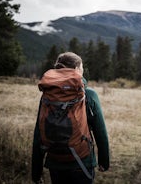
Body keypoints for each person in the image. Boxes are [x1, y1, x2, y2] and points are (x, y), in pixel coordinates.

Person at [32, 52, 110, 184]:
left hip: (55, 162)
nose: (83, 71)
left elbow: (38, 133)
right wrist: (104, 161)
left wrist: (36, 171)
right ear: (76, 69)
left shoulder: (47, 96)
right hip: (82, 161)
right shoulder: (88, 94)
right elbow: (100, 130)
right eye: (82, 68)